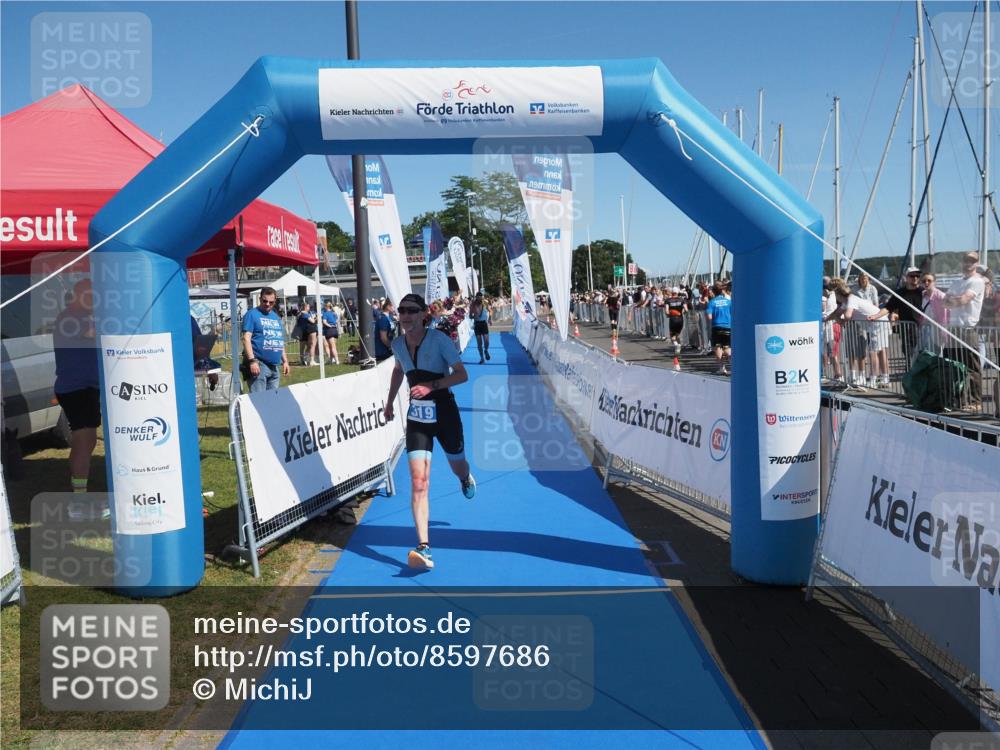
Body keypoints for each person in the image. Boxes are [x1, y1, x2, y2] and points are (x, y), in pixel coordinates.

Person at [383, 293, 476, 570]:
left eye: (412, 310)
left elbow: (462, 374)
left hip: (444, 411)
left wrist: (432, 386)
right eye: (402, 311)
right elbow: (399, 370)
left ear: (424, 314)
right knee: (419, 481)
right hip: (418, 418)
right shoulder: (398, 343)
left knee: (457, 464)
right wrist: (389, 402)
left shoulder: (439, 341)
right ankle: (424, 547)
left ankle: (464, 477)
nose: (406, 315)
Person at [53, 279, 105, 514]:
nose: (95, 300)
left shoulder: (80, 316)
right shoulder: (70, 317)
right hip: (76, 389)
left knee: (87, 441)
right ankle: (79, 503)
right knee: (84, 442)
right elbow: (95, 332)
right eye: (91, 295)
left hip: (85, 388)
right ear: (78, 295)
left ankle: (80, 497)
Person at [826, 278, 888, 388]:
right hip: (877, 322)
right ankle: (884, 377)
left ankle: (874, 379)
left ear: (839, 294)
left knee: (873, 351)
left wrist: (839, 318)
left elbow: (847, 315)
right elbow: (837, 312)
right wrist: (827, 319)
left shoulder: (851, 300)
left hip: (878, 323)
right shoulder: (848, 301)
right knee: (878, 350)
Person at [943, 252, 987, 406]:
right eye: (966, 261)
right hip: (954, 329)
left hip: (969, 329)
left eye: (972, 261)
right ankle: (960, 400)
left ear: (977, 263)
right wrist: (955, 300)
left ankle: (975, 401)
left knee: (972, 368)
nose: (969, 264)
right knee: (955, 367)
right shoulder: (956, 282)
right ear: (962, 263)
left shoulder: (977, 281)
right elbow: (944, 302)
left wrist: (953, 300)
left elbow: (963, 300)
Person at [242, 287, 290, 392]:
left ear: (275, 301)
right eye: (265, 301)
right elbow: (246, 338)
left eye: (271, 302)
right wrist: (252, 361)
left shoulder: (275, 317)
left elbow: (278, 340)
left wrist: (285, 361)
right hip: (259, 364)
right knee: (259, 401)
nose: (267, 304)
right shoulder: (252, 314)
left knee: (272, 402)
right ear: (260, 299)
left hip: (274, 366)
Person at [884, 267, 924, 366]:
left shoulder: (923, 292)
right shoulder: (899, 293)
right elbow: (888, 307)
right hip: (906, 329)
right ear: (906, 277)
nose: (915, 278)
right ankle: (910, 375)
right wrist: (875, 316)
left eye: (917, 276)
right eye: (912, 276)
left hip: (922, 328)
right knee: (908, 353)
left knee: (923, 354)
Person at [706, 282, 732, 375]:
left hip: (716, 326)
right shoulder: (728, 301)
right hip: (728, 326)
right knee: (727, 347)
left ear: (713, 291)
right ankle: (734, 366)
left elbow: (709, 317)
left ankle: (722, 368)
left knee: (718, 347)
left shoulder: (711, 302)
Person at [469, 292, 491, 364]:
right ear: (476, 297)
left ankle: (486, 350)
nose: (479, 298)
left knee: (486, 340)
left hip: (484, 323)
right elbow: (470, 315)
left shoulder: (485, 303)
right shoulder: (473, 304)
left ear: (482, 297)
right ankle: (482, 358)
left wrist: (490, 319)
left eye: (480, 297)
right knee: (479, 342)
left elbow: (490, 311)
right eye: (478, 297)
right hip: (477, 324)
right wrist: (473, 316)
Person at [665, 286, 687, 354]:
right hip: (680, 319)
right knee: (677, 334)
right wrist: (681, 312)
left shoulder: (668, 300)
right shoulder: (682, 300)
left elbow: (666, 311)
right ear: (677, 292)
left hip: (673, 319)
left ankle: (676, 345)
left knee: (672, 336)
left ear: (672, 292)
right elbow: (686, 309)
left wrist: (668, 315)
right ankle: (679, 347)